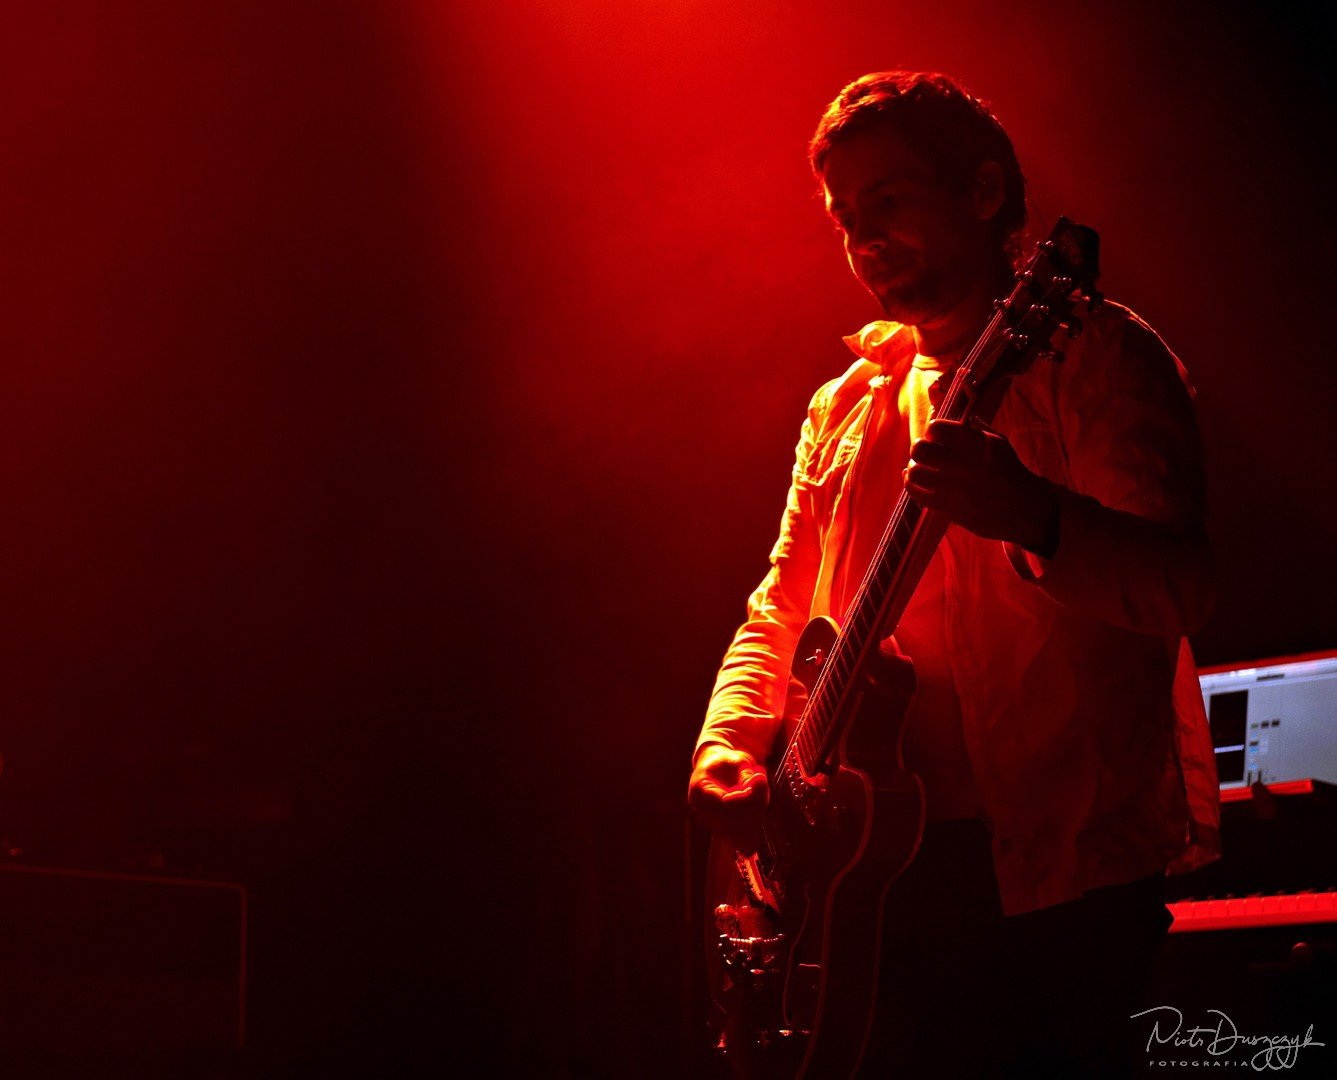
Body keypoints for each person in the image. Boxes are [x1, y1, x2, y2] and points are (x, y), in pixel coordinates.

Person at [686, 70, 1221, 1078]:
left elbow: (1182, 588)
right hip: (871, 869)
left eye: (887, 201)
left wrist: (1035, 518)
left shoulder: (1096, 358)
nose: (863, 238)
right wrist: (729, 739)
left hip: (1064, 878)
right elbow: (780, 602)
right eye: (845, 219)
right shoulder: (842, 406)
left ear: (981, 192)